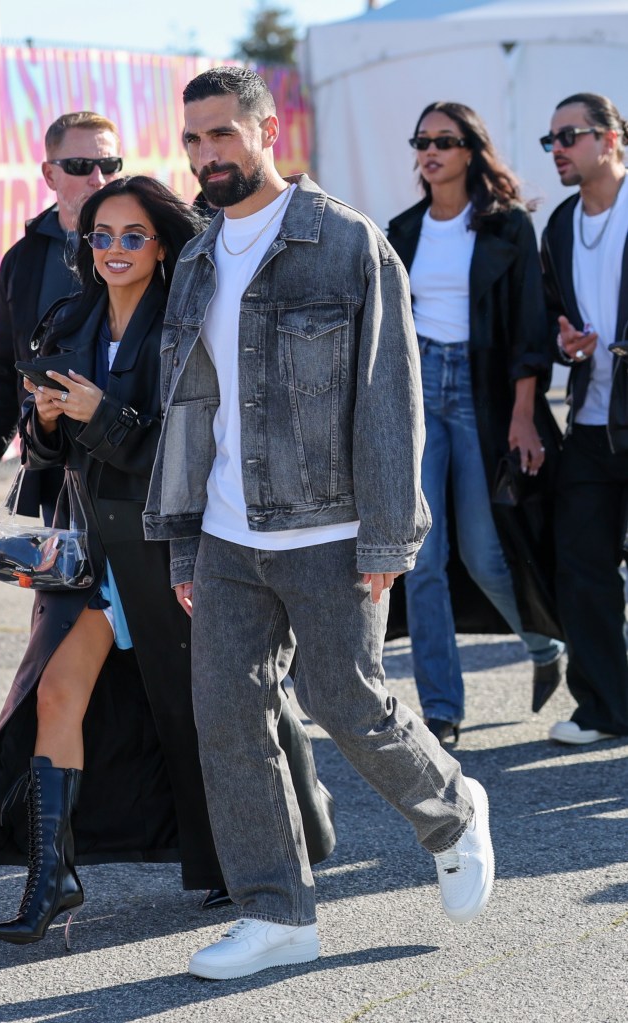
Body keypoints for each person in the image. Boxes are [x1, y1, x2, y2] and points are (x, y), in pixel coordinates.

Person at [143, 67, 495, 981]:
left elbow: (390, 398)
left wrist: (387, 534)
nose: (207, 153)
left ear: (265, 128)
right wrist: (185, 534)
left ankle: (452, 811)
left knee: (346, 701)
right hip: (225, 535)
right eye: (193, 139)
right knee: (227, 719)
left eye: (222, 133)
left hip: (329, 526)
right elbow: (193, 409)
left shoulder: (345, 242)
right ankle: (277, 914)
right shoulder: (195, 257)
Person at [0, 176, 335, 947]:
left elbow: (180, 445)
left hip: (172, 544)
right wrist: (44, 423)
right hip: (88, 549)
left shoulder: (185, 323)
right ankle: (50, 879)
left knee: (219, 706)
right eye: (101, 236)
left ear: (162, 242)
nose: (114, 251)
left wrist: (99, 416)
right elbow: (47, 451)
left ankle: (275, 846)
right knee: (54, 695)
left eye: (132, 236)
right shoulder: (71, 317)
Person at [386, 101, 565, 745]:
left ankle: (544, 643)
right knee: (424, 556)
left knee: (487, 555)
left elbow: (528, 326)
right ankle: (442, 708)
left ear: (470, 150)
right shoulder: (402, 230)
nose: (431, 150)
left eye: (445, 140)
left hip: (484, 391)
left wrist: (525, 416)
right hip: (419, 388)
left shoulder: (506, 227)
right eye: (422, 139)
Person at [0, 111, 123, 535]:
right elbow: (1, 372)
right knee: (62, 597)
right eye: (82, 166)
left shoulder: (149, 249)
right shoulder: (24, 261)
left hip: (134, 466)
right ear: (50, 174)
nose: (98, 179)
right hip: (55, 468)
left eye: (110, 166)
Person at [540, 92, 628, 745]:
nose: (557, 150)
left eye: (567, 136)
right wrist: (562, 343)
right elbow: (554, 314)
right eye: (551, 141)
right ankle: (605, 706)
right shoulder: (561, 222)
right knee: (580, 564)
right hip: (591, 420)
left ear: (610, 137)